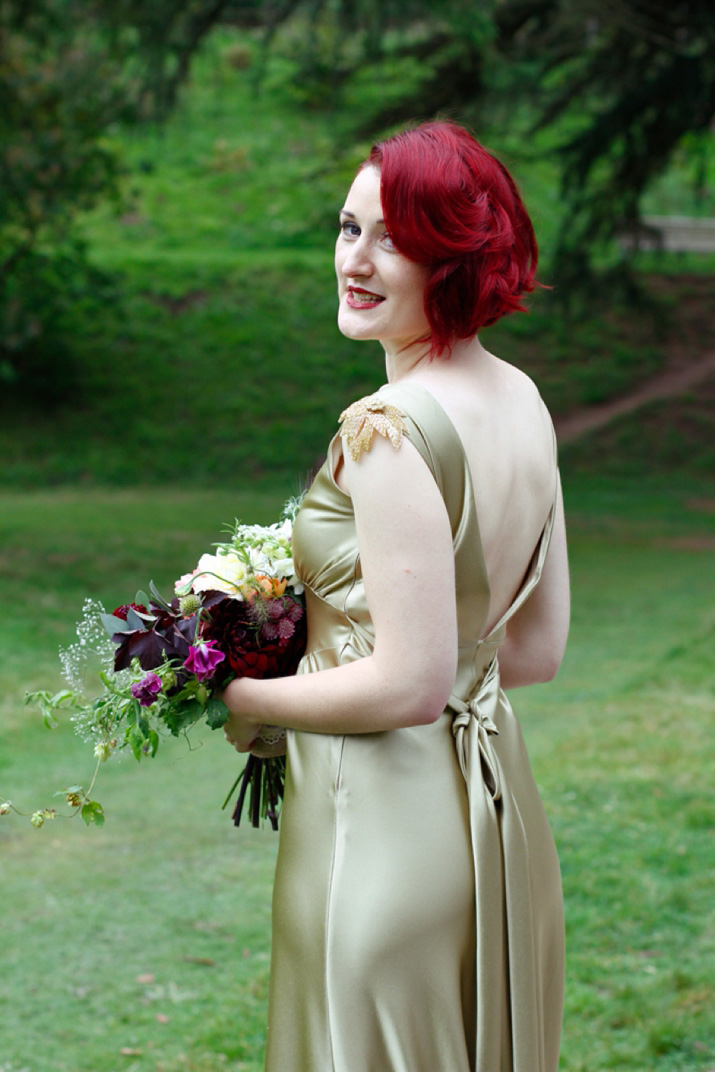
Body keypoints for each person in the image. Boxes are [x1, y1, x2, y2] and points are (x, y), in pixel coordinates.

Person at [221, 119, 569, 1072]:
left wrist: (239, 695)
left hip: (376, 833)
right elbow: (532, 651)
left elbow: (407, 687)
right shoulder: (523, 401)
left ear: (456, 256)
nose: (357, 260)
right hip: (495, 821)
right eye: (347, 229)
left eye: (395, 238)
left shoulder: (385, 430)